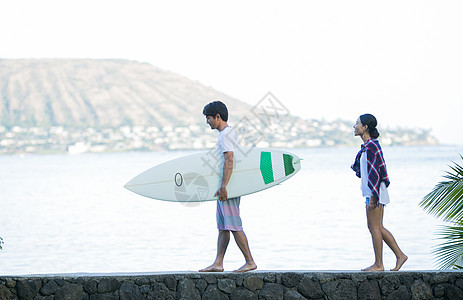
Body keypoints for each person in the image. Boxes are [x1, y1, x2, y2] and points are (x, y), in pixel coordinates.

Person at [199, 101, 257, 273]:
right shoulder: (226, 134)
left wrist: (224, 187)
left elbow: (229, 160)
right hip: (224, 187)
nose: (207, 122)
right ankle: (218, 263)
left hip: (228, 188)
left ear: (218, 117)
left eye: (208, 118)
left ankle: (250, 261)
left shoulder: (226, 134)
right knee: (223, 226)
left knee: (233, 225)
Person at [351, 114, 408, 271]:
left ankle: (379, 264)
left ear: (365, 127)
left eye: (357, 123)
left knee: (374, 227)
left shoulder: (372, 147)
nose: (354, 126)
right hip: (371, 191)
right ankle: (400, 256)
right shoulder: (367, 147)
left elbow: (376, 173)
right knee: (377, 227)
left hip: (374, 192)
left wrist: (373, 196)